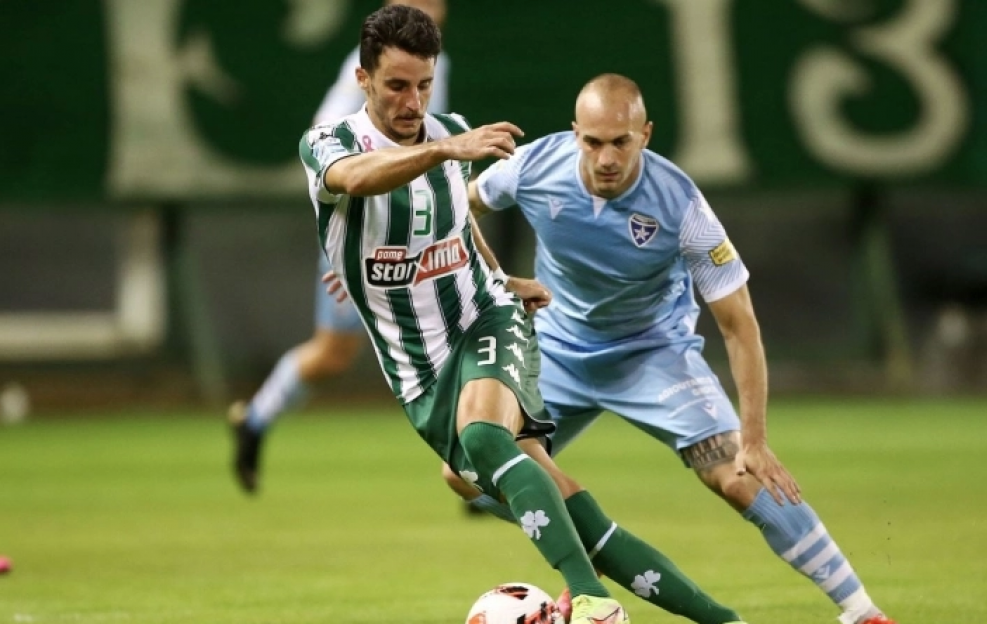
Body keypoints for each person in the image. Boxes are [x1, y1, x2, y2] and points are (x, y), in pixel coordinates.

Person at [295, 7, 751, 624]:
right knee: (561, 502)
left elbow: (458, 222)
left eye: (424, 85)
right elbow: (353, 179)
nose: (414, 101)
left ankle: (591, 601)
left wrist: (501, 279)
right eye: (397, 85)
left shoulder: (449, 135)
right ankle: (726, 620)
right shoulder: (330, 142)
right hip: (417, 369)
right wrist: (440, 152)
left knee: (485, 438)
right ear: (363, 78)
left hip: (486, 319)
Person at [443, 73, 899, 624]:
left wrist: (755, 438)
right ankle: (592, 551)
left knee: (739, 476)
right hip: (557, 351)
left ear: (646, 134)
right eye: (593, 141)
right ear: (574, 133)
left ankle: (862, 611)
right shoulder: (535, 166)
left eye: (621, 141)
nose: (606, 157)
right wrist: (497, 278)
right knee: (464, 472)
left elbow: (740, 326)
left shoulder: (681, 205)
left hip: (652, 353)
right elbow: (454, 211)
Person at [228, 0, 449, 494]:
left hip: (417, 234)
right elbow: (329, 146)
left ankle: (483, 466)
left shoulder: (434, 64)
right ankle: (255, 419)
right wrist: (350, 250)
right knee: (333, 354)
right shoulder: (373, 67)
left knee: (458, 338)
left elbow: (435, 158)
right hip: (366, 234)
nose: (430, 8)